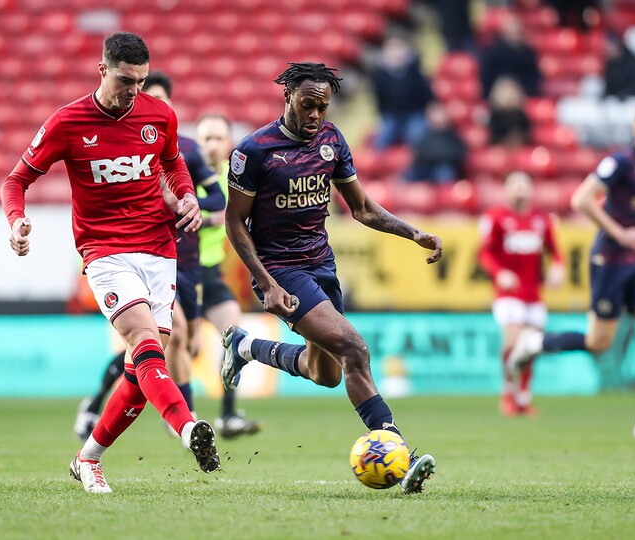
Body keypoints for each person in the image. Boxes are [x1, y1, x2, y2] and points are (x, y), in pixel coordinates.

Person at [0, 32, 221, 494]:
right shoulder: (67, 122)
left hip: (159, 249)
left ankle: (87, 459)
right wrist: (17, 221)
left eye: (140, 82)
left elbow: (173, 164)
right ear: (103, 71)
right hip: (104, 250)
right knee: (145, 342)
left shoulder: (159, 115)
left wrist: (187, 198)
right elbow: (15, 181)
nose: (133, 91)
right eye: (125, 81)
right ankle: (187, 427)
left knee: (141, 374)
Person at [221, 62, 442, 493]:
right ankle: (400, 454)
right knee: (355, 349)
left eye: (322, 107)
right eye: (307, 105)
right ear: (287, 96)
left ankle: (245, 346)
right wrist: (266, 282)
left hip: (322, 267)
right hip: (282, 271)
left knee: (326, 373)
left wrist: (411, 232)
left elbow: (361, 209)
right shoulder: (254, 151)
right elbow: (234, 224)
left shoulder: (332, 140)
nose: (315, 115)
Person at [509, 99, 635, 438]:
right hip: (610, 260)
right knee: (598, 342)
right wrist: (619, 232)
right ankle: (534, 343)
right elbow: (581, 199)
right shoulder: (620, 163)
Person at [73, 71, 226, 439]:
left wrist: (188, 206)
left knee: (177, 344)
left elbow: (217, 200)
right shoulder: (116, 139)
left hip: (181, 259)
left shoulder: (185, 149)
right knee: (154, 338)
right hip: (129, 252)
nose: (145, 101)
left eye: (156, 97)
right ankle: (186, 421)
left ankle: (97, 410)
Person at [194, 113, 262, 438]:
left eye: (218, 138)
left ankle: (227, 416)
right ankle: (94, 405)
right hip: (180, 275)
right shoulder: (185, 174)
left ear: (228, 143)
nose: (212, 145)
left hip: (210, 274)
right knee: (181, 347)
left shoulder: (232, 181)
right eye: (206, 138)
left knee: (234, 334)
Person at [478, 171, 565, 416]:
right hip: (508, 294)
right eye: (515, 185)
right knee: (514, 341)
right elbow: (484, 253)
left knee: (532, 347)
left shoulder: (541, 219)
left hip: (534, 294)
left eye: (524, 186)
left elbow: (555, 250)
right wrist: (500, 273)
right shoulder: (495, 217)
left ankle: (523, 396)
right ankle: (508, 393)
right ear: (506, 190)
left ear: (531, 190)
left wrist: (558, 266)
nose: (520, 190)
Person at [370, 35, 435, 148]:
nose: (396, 52)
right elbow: (379, 100)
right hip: (392, 116)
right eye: (392, 48)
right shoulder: (378, 75)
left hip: (414, 113)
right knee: (379, 143)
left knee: (417, 138)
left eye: (399, 48)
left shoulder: (415, 71)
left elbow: (426, 94)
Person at [479, 15, 541, 99]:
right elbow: (486, 77)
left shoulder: (528, 53)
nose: (515, 35)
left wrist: (517, 88)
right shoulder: (494, 53)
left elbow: (533, 77)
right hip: (498, 95)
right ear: (504, 33)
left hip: (522, 94)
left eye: (517, 32)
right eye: (512, 32)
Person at [405, 101, 468, 183]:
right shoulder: (425, 135)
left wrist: (435, 157)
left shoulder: (453, 135)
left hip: (442, 170)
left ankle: (446, 193)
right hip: (425, 169)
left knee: (444, 170)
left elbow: (460, 154)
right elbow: (419, 154)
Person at [488, 76, 532, 147]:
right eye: (505, 92)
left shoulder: (524, 119)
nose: (509, 96)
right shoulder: (492, 120)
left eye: (512, 92)